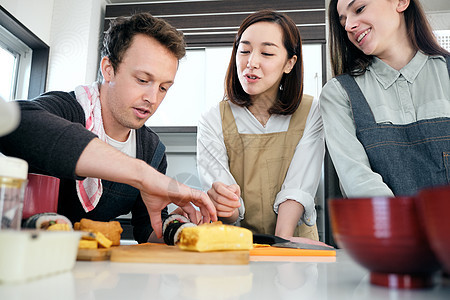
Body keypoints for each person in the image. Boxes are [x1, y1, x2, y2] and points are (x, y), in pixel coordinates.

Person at [0, 12, 216, 242]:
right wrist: (141, 175)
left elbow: (147, 230)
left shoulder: (151, 151)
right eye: (143, 80)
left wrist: (175, 227)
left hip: (94, 272)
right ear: (108, 69)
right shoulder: (68, 110)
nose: (152, 98)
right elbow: (16, 121)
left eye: (164, 87)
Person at [196, 10, 325, 240]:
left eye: (266, 53)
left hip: (293, 242)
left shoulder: (311, 111)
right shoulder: (213, 118)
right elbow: (227, 205)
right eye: (244, 51)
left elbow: (298, 187)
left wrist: (281, 245)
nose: (251, 62)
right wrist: (224, 203)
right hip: (237, 245)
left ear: (289, 63)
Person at [320, 0, 450, 198]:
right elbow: (358, 181)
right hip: (387, 227)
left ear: (401, 2)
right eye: (343, 21)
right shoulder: (339, 93)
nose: (348, 26)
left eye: (359, 9)